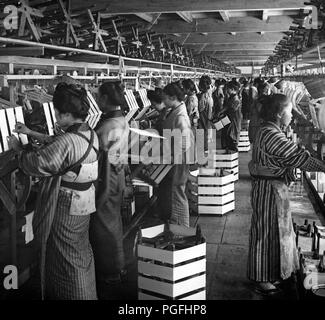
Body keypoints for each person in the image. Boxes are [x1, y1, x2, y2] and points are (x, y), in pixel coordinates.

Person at [9, 83, 99, 300]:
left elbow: (35, 164)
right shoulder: (87, 132)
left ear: (67, 113)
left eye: (58, 113)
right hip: (83, 201)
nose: (55, 116)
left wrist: (18, 149)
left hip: (66, 206)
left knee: (63, 256)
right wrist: (30, 132)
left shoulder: (68, 140)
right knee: (78, 250)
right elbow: (57, 142)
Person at [247, 94, 325, 296]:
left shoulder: (269, 130)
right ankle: (260, 279)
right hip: (268, 190)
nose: (292, 115)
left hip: (271, 188)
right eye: (290, 111)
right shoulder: (271, 134)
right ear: (279, 114)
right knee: (265, 233)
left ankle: (269, 273)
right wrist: (323, 165)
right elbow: (298, 157)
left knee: (272, 232)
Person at [89, 81, 129, 295]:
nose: (96, 100)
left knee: (102, 227)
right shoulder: (121, 119)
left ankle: (109, 272)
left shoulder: (107, 126)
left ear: (105, 99)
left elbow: (88, 149)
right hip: (117, 177)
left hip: (106, 180)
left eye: (98, 97)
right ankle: (118, 267)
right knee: (113, 224)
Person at [157, 82, 193, 227]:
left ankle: (182, 228)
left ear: (173, 97)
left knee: (177, 192)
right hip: (176, 156)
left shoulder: (180, 116)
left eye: (165, 98)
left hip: (179, 158)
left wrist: (173, 156)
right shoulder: (175, 111)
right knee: (176, 191)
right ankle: (178, 226)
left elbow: (185, 142)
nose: (163, 101)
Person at [220, 81, 242, 152]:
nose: (226, 91)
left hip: (233, 121)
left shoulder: (236, 99)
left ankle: (232, 154)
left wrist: (221, 112)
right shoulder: (231, 98)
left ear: (232, 89)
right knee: (226, 135)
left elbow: (231, 110)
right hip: (229, 120)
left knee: (231, 138)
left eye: (227, 89)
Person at [198, 75, 214, 150]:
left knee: (205, 141)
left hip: (204, 120)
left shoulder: (203, 96)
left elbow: (200, 109)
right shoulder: (209, 93)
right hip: (209, 120)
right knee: (208, 139)